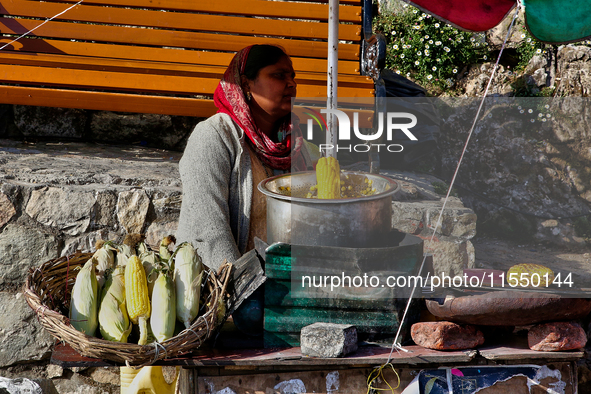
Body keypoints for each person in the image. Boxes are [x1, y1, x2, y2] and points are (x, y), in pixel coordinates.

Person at [175, 44, 312, 270]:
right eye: (279, 75)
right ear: (247, 84)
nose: (292, 84)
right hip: (224, 286)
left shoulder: (294, 145)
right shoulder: (215, 136)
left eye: (292, 76)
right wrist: (242, 291)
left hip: (282, 281)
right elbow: (210, 230)